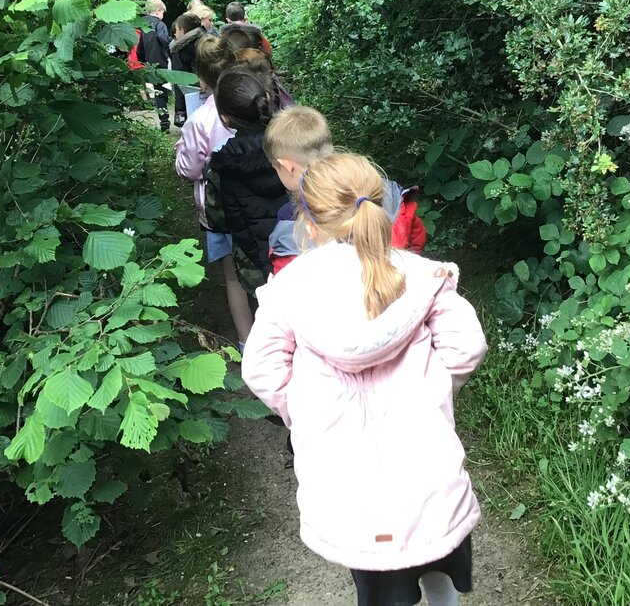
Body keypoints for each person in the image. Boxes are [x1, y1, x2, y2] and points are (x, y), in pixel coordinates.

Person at [241, 153, 487, 606]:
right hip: (426, 468)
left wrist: (303, 410)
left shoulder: (291, 288)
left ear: (308, 223)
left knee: (380, 590)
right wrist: (435, 389)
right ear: (381, 205)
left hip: (348, 484)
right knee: (440, 563)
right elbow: (466, 346)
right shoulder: (423, 276)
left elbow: (261, 367)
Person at [262, 106, 428, 274]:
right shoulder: (380, 191)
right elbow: (415, 238)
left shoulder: (290, 223)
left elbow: (289, 283)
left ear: (287, 166)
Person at [175, 37, 255, 345]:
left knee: (233, 276)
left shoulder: (200, 120)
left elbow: (189, 169)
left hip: (220, 210)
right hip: (259, 204)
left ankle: (247, 343)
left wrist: (181, 150)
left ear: (201, 78)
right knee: (266, 265)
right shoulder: (254, 103)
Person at [202, 66, 287, 328]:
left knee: (269, 319)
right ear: (267, 99)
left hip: (253, 260)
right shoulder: (294, 145)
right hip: (300, 250)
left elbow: (217, 220)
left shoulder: (220, 166)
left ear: (225, 118)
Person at [139, 0, 174, 130]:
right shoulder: (160, 24)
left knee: (156, 90)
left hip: (149, 61)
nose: (163, 14)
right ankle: (170, 119)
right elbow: (162, 38)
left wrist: (142, 60)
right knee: (165, 90)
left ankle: (162, 119)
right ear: (158, 10)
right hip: (162, 61)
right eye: (163, 11)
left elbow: (140, 46)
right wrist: (173, 43)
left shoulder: (143, 24)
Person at [170, 12, 209, 123]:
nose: (175, 34)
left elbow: (180, 81)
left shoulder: (180, 51)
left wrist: (180, 111)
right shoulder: (207, 43)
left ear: (182, 31)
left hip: (192, 99)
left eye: (176, 30)